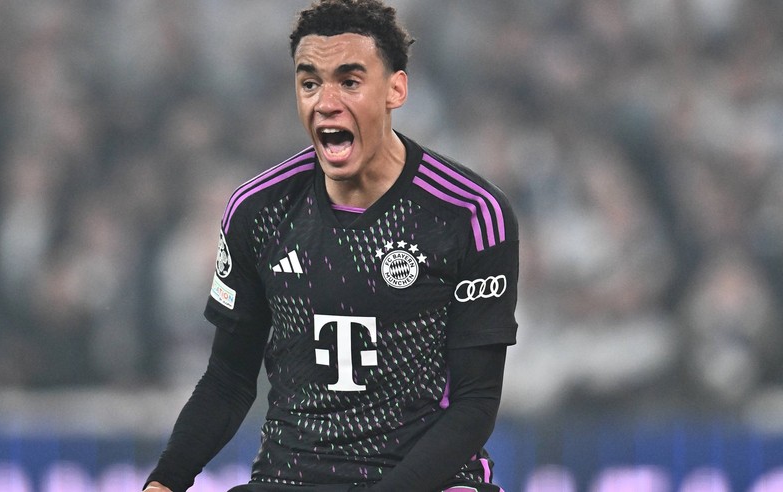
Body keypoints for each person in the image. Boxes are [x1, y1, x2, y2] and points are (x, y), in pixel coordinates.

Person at [143, 1, 519, 490]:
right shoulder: (257, 211)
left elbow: (476, 403)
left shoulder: (471, 213)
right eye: (309, 82)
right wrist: (163, 482)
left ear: (396, 88)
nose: (325, 101)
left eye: (349, 81)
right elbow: (228, 381)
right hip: (289, 478)